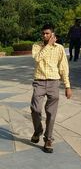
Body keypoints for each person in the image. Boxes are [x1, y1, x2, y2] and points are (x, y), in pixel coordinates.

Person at [30, 23, 72, 153]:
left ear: (52, 34)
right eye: (43, 33)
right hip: (39, 82)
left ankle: (48, 139)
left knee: (51, 113)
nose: (45, 35)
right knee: (35, 109)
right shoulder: (37, 46)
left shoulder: (59, 48)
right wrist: (48, 46)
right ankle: (38, 130)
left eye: (47, 33)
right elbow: (37, 58)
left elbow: (64, 67)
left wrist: (67, 86)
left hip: (54, 82)